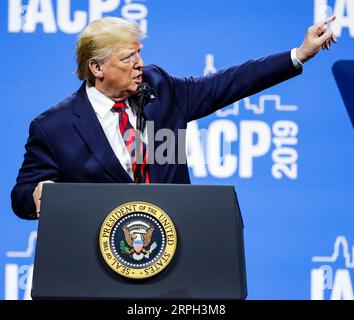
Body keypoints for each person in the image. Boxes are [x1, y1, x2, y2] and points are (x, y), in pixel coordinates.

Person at [11, 16, 337, 220]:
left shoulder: (160, 88)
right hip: (99, 260)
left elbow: (226, 83)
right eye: (128, 57)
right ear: (97, 68)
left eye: (139, 52)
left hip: (176, 247)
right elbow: (23, 195)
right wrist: (39, 195)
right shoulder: (54, 126)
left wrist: (298, 54)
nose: (140, 63)